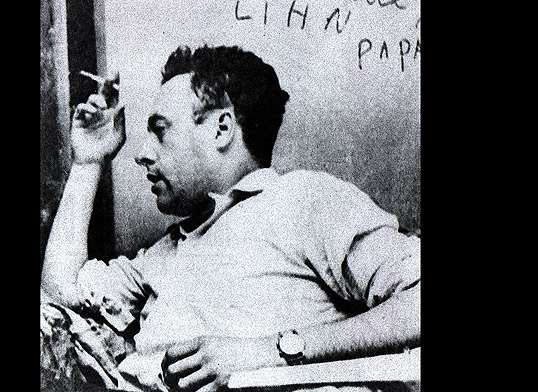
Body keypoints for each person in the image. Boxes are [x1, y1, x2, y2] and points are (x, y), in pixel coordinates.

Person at [40, 45, 420, 392]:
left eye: (160, 131)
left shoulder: (305, 200)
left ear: (222, 129)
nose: (141, 153)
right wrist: (88, 163)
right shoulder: (168, 249)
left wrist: (273, 351)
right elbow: (61, 293)